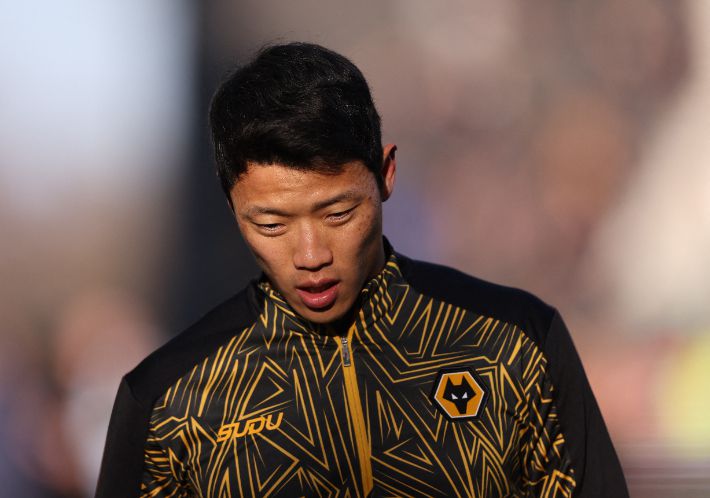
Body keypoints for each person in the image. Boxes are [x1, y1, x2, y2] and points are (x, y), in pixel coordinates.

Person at [95, 42, 628, 498]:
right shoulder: (168, 401)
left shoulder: (517, 343)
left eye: (338, 214)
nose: (311, 254)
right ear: (232, 209)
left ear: (386, 174)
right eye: (272, 224)